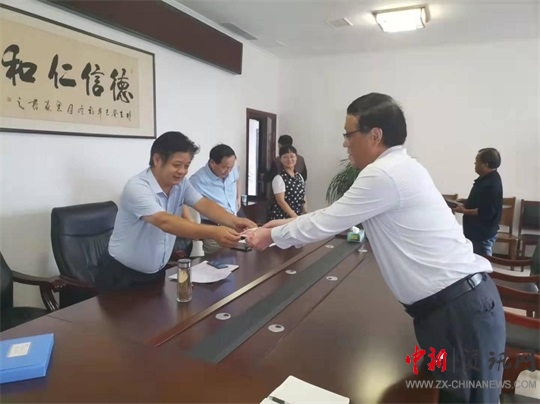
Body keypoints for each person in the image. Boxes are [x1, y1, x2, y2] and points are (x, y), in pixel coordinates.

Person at [246, 93, 505, 404]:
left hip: (459, 314)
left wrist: (270, 236)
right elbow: (335, 214)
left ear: (375, 135)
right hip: (454, 308)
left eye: (349, 134)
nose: (345, 143)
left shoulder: (383, 173)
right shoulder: (400, 167)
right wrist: (280, 226)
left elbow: (328, 221)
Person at [96, 131, 256, 292]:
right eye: (177, 165)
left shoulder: (181, 184)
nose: (182, 171)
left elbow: (204, 204)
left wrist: (235, 221)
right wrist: (213, 232)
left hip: (156, 272)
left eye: (186, 166)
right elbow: (165, 222)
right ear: (157, 160)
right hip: (121, 274)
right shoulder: (138, 187)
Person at [189, 144, 242, 255]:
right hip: (214, 232)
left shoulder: (232, 170)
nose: (229, 171)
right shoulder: (196, 180)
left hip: (234, 226)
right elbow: (186, 206)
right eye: (225, 167)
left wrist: (238, 199)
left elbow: (237, 179)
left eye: (231, 167)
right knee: (216, 262)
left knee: (237, 260)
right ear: (213, 163)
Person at [454, 148, 503, 256]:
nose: (475, 163)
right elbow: (481, 201)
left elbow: (486, 212)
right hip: (474, 233)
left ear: (485, 164)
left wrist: (464, 211)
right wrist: (465, 201)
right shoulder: (485, 178)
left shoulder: (492, 184)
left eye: (477, 161)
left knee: (482, 264)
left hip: (482, 236)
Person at [267, 145, 307, 221]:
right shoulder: (279, 178)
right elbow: (280, 201)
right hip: (282, 218)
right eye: (285, 157)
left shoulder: (299, 176)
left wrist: (305, 213)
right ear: (281, 159)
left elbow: (303, 196)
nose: (289, 159)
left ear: (296, 158)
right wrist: (295, 217)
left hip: (297, 217)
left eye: (292, 156)